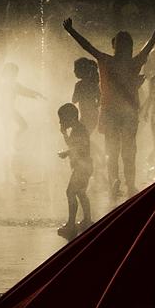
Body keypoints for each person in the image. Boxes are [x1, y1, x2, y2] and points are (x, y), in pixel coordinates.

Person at [63, 12, 155, 199]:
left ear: (114, 46)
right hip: (129, 114)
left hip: (110, 112)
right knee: (130, 150)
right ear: (130, 47)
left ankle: (114, 183)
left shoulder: (106, 61)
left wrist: (71, 31)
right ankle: (130, 186)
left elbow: (87, 46)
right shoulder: (136, 62)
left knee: (112, 151)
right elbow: (152, 42)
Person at [57, 103, 92, 240]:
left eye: (62, 119)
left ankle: (71, 224)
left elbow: (80, 146)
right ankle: (87, 220)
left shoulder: (80, 129)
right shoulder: (76, 129)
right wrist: (64, 134)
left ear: (70, 118)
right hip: (83, 166)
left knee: (70, 192)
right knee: (81, 193)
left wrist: (67, 152)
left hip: (82, 167)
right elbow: (72, 145)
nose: (60, 122)